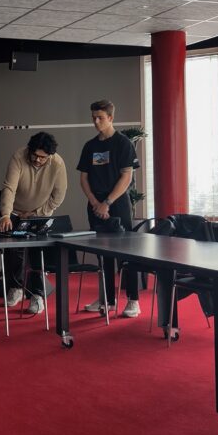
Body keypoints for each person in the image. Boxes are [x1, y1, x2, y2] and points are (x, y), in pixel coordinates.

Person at [77, 99, 141, 317]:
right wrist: (95, 202)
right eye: (93, 117)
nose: (96, 122)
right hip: (95, 204)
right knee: (102, 254)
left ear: (111, 118)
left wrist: (108, 202)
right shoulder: (90, 146)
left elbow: (126, 176)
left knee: (127, 254)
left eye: (100, 118)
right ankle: (108, 299)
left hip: (118, 203)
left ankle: (133, 300)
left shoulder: (123, 143)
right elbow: (83, 178)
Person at [0, 131, 68, 314]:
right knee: (14, 250)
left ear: (50, 156)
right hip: (16, 211)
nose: (38, 160)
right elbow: (9, 187)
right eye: (35, 155)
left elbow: (58, 196)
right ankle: (16, 289)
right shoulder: (19, 157)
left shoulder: (57, 163)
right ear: (29, 150)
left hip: (40, 214)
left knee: (38, 253)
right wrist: (5, 214)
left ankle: (37, 295)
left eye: (43, 157)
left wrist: (37, 213)